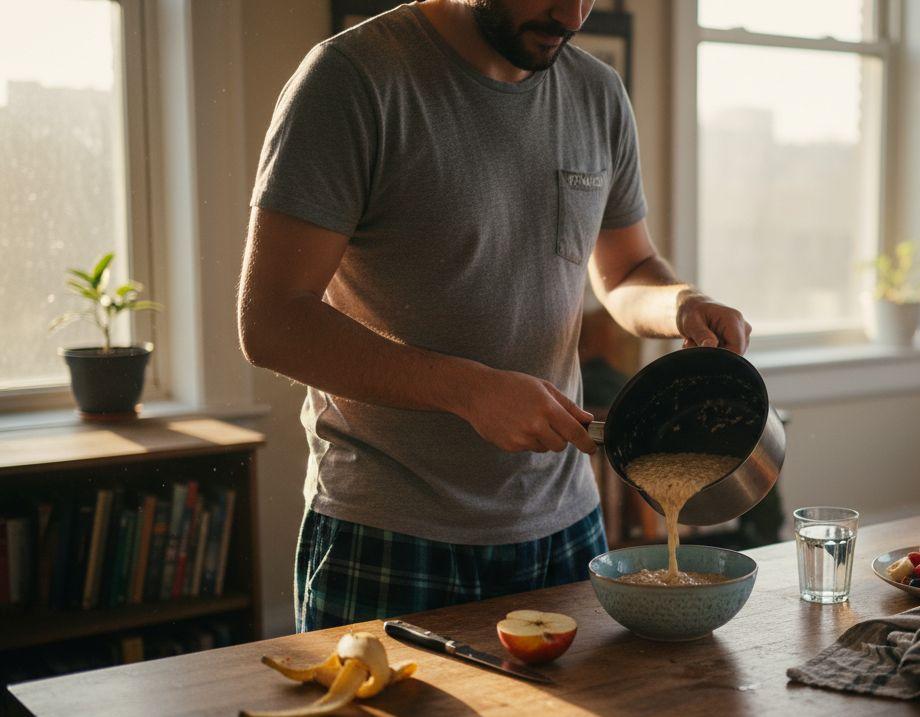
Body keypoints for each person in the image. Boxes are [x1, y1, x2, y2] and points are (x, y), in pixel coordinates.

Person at [237, 0, 751, 632]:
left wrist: (681, 304)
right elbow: (271, 320)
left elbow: (625, 269)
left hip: (565, 527)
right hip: (392, 532)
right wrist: (469, 391)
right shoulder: (352, 78)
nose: (572, 13)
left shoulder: (597, 91)